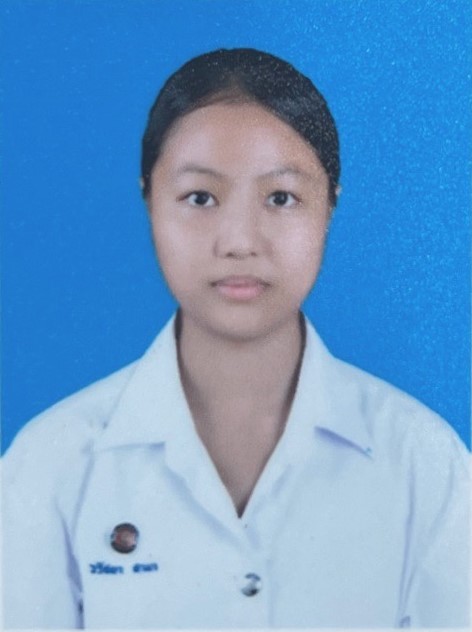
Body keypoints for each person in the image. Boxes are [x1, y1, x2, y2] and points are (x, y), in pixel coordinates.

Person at [1, 48, 469, 629]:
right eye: (200, 198)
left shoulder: (425, 464)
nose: (240, 241)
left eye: (281, 198)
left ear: (330, 204)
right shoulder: (50, 465)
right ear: (149, 198)